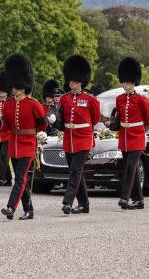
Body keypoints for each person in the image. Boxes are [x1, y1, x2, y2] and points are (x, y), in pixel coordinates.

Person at [0, 54, 48, 220]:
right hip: (14, 145)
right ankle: (29, 210)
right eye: (14, 86)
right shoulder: (9, 104)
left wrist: (34, 134)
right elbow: (5, 126)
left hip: (27, 146)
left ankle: (11, 207)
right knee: (22, 179)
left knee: (19, 178)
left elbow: (42, 124)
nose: (15, 89)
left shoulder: (34, 104)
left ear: (25, 85)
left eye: (19, 86)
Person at [56, 54, 102, 215]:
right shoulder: (64, 99)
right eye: (70, 80)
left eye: (74, 80)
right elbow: (61, 119)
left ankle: (67, 202)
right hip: (69, 138)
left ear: (81, 81)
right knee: (76, 172)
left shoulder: (90, 99)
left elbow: (95, 118)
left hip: (83, 138)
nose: (71, 82)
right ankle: (84, 205)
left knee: (76, 170)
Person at [111, 57, 149, 210]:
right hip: (124, 136)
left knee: (130, 166)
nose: (126, 85)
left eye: (128, 83)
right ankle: (139, 200)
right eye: (124, 83)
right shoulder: (119, 99)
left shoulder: (141, 100)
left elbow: (148, 118)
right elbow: (119, 117)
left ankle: (125, 197)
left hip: (137, 137)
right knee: (131, 168)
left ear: (134, 83)